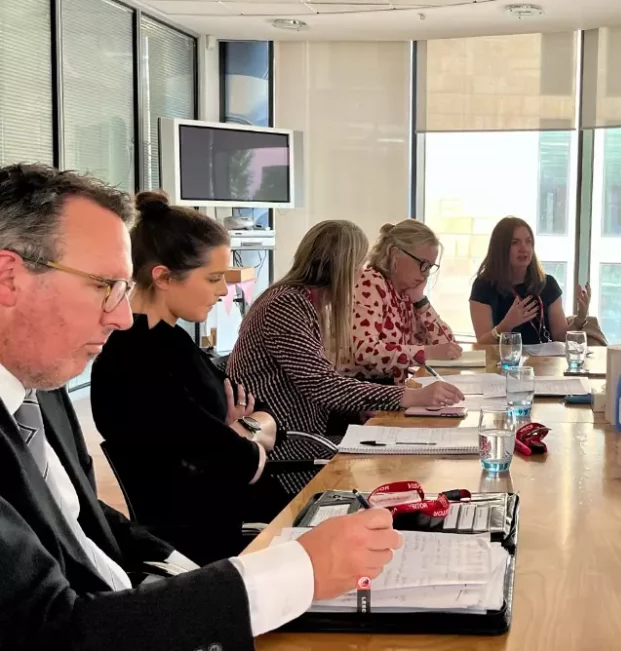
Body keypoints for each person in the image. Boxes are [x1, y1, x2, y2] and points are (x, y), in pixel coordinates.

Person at [0, 163, 402, 650]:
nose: (123, 317)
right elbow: (51, 631)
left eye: (124, 289)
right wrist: (297, 572)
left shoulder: (41, 394)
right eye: (104, 285)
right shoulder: (110, 367)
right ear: (8, 277)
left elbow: (86, 521)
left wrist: (185, 573)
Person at [90, 192, 288, 565]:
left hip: (234, 527)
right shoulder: (136, 359)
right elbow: (242, 459)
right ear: (163, 277)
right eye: (213, 278)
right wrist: (243, 435)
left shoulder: (173, 342)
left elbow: (271, 423)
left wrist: (241, 429)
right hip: (216, 548)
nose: (223, 290)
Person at [228, 220, 463, 492]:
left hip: (302, 435)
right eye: (358, 266)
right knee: (397, 475)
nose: (361, 274)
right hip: (286, 450)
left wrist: (355, 407)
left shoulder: (301, 302)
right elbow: (322, 385)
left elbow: (317, 383)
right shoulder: (285, 305)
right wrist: (409, 396)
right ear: (341, 268)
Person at [341, 220, 462, 382]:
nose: (426, 273)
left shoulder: (406, 294)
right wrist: (426, 353)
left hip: (392, 388)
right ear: (394, 254)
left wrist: (421, 302)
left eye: (430, 267)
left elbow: (449, 348)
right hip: (361, 388)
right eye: (423, 264)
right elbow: (364, 351)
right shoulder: (370, 281)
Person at [470, 216, 591, 344]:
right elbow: (482, 345)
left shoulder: (547, 284)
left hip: (545, 357)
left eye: (528, 242)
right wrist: (506, 325)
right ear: (500, 248)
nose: (524, 248)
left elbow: (561, 338)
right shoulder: (484, 286)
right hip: (505, 357)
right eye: (515, 242)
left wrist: (580, 318)